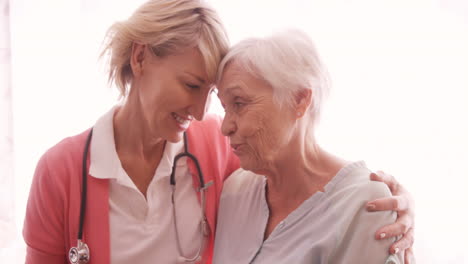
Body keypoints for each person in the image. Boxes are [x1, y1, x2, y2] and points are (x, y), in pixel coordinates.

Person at [22, 1, 414, 263]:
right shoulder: (60, 172)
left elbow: (295, 167)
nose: (199, 112)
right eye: (191, 86)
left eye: (212, 95)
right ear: (140, 58)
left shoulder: (215, 146)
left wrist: (389, 195)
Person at [212, 30, 413, 263]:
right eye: (225, 107)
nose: (225, 127)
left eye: (239, 103)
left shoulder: (366, 203)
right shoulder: (233, 191)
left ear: (299, 100)